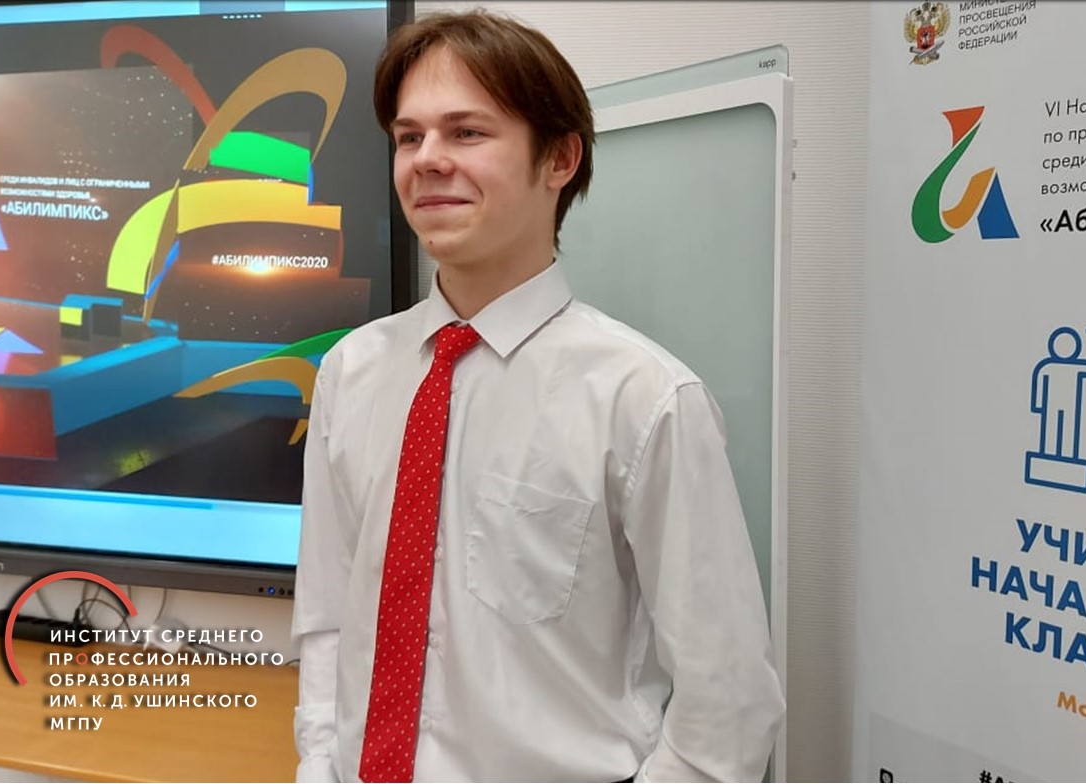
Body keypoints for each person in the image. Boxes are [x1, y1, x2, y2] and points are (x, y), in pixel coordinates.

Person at [291, 9, 785, 783]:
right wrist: (320, 762)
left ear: (559, 158)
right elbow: (329, 613)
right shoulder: (352, 371)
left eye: (466, 132)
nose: (427, 160)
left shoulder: (643, 398)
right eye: (409, 137)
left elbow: (727, 705)